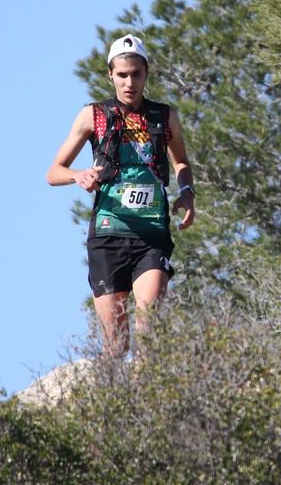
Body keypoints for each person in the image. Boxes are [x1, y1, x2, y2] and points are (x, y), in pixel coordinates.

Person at [47, 34, 196, 359]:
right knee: (116, 346)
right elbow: (54, 172)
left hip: (151, 235)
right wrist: (78, 175)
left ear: (146, 74)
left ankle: (147, 388)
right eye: (122, 75)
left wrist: (187, 192)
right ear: (110, 75)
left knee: (148, 325)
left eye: (136, 74)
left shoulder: (164, 116)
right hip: (108, 236)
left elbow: (181, 162)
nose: (130, 83)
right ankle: (113, 388)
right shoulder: (93, 115)